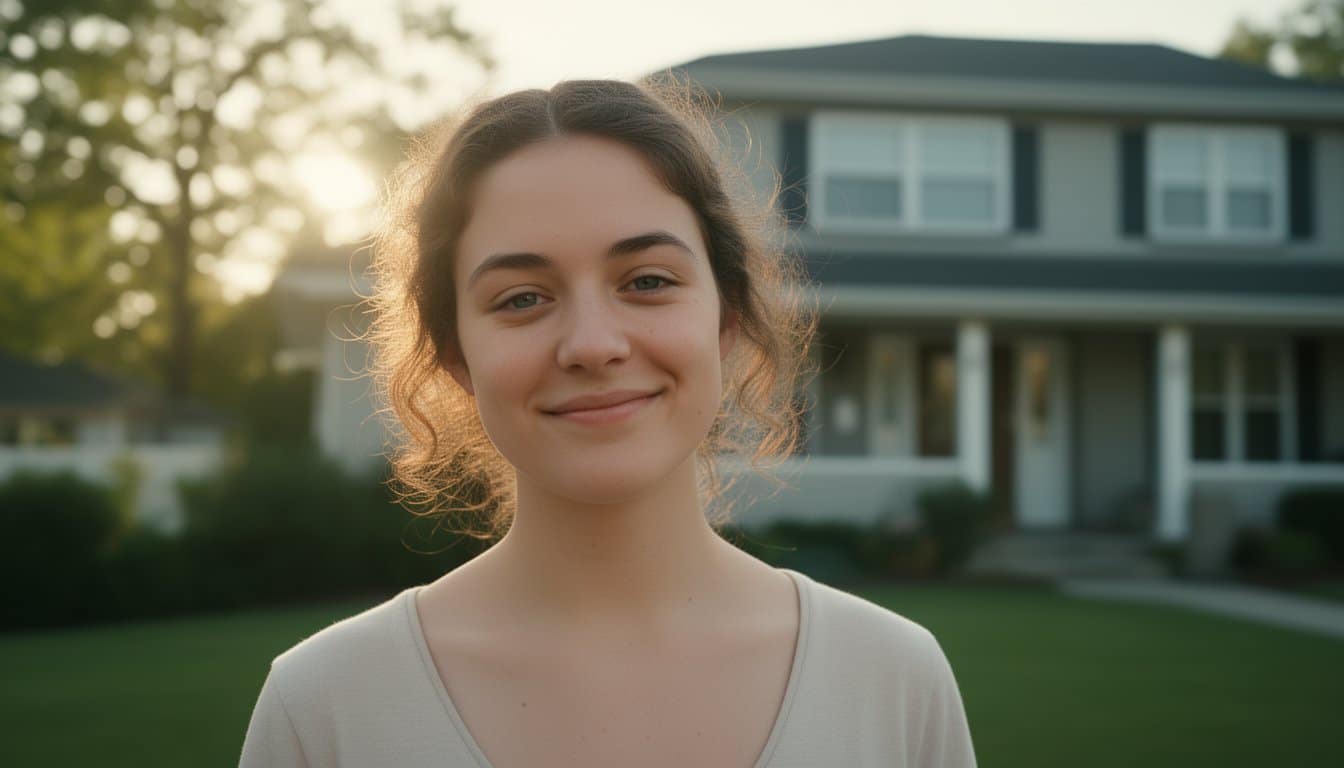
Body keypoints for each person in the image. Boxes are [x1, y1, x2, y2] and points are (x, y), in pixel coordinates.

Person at [239, 75, 976, 767]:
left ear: (727, 317)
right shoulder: (323, 709)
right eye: (522, 297)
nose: (592, 344)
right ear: (457, 354)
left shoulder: (896, 684)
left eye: (648, 281)